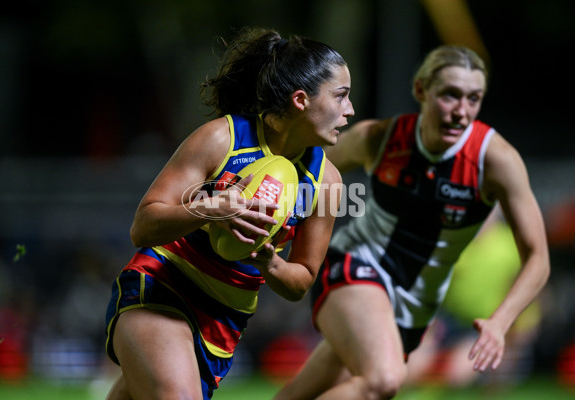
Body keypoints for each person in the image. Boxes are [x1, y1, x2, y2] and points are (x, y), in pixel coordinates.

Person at [273, 45, 550, 400]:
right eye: (450, 96)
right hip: (357, 265)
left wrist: (500, 321)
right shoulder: (381, 138)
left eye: (473, 98)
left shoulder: (496, 161)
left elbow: (537, 258)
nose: (461, 112)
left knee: (307, 391)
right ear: (421, 91)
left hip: (416, 305)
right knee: (383, 380)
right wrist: (279, 212)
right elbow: (307, 171)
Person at [103, 26, 354, 400]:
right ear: (301, 100)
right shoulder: (222, 139)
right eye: (341, 97)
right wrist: (210, 209)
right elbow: (143, 226)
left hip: (224, 320)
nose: (349, 109)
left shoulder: (329, 183)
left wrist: (270, 263)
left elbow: (301, 279)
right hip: (163, 286)